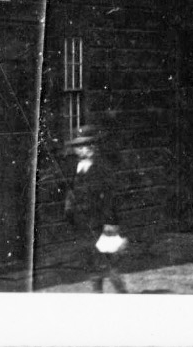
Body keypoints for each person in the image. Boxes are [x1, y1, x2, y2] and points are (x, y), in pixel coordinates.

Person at [62, 126, 127, 293]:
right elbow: (71, 192)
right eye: (78, 146)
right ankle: (97, 293)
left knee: (109, 261)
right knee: (91, 261)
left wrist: (110, 222)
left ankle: (122, 294)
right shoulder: (75, 168)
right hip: (83, 223)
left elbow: (111, 197)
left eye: (87, 145)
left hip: (101, 222)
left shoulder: (102, 168)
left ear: (94, 147)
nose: (82, 149)